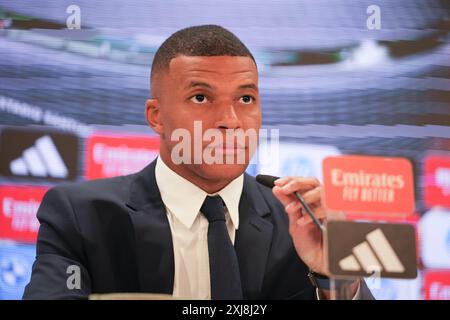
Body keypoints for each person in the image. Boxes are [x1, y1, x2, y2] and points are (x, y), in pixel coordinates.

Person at [23, 25, 373, 300]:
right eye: (201, 97)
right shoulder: (81, 216)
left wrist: (336, 279)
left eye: (246, 97)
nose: (230, 120)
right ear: (156, 116)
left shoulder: (301, 222)